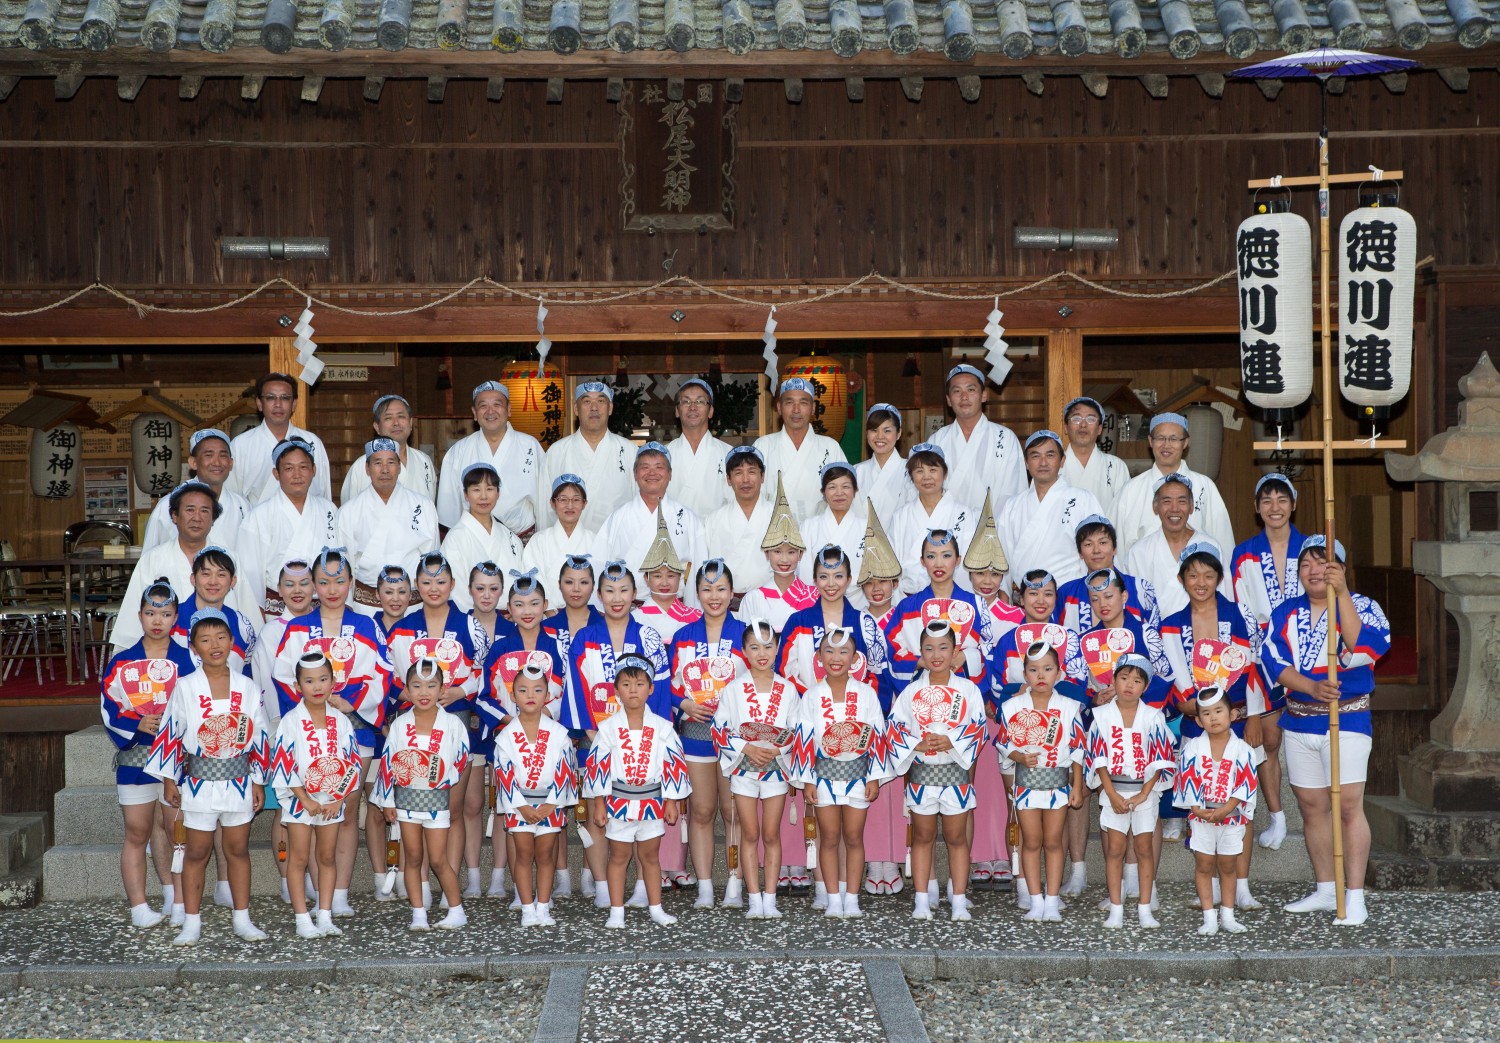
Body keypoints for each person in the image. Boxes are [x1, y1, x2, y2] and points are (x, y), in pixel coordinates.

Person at [1261, 536, 1389, 927]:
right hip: (1300, 718)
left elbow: (1364, 649)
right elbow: (1272, 660)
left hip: (1346, 719)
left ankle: (1355, 895)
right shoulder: (1286, 611)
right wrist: (1310, 687)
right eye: (1306, 564)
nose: (1314, 570)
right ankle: (1325, 889)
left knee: (1348, 806)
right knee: (1312, 807)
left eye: (1324, 562)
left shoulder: (1364, 605)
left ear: (1341, 569)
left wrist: (1343, 593)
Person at [272, 547, 392, 910]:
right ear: (313, 585)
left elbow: (384, 672)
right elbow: (283, 676)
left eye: (339, 581)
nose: (332, 589)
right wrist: (315, 706)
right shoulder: (296, 628)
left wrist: (351, 701)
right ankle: (314, 886)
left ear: (352, 583)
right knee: (310, 810)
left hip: (355, 727)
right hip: (309, 733)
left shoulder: (367, 625)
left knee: (345, 810)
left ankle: (338, 893)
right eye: (323, 582)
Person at [146, 608, 271, 946]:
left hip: (239, 778)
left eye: (220, 638)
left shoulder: (247, 687)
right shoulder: (186, 687)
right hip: (199, 780)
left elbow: (259, 734)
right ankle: (191, 921)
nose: (214, 645)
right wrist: (169, 779)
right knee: (197, 851)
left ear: (231, 642)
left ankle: (242, 918)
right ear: (194, 647)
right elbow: (172, 732)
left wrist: (259, 779)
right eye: (205, 639)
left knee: (238, 849)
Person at [1160, 541, 1267, 912]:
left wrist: (1255, 715)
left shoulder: (1238, 614)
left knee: (1242, 803)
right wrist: (1182, 702)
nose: (1201, 582)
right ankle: (1209, 883)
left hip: (1237, 718)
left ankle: (1242, 886)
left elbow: (1255, 666)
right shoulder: (1171, 624)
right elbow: (1168, 675)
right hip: (1196, 722)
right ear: (1181, 579)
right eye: (1193, 575)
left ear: (1220, 578)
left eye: (1208, 575)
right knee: (1203, 799)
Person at [562, 561, 674, 909]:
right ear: (599, 595)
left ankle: (641, 885)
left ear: (635, 594)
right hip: (595, 737)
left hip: (643, 740)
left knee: (642, 814)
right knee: (599, 812)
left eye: (624, 590)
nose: (616, 597)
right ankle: (601, 885)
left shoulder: (648, 637)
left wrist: (651, 736)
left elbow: (660, 690)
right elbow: (576, 690)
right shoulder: (585, 638)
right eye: (609, 591)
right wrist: (596, 735)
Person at [101, 580, 197, 929]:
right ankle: (139, 906)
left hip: (176, 756)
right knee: (136, 831)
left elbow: (199, 703)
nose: (158, 621)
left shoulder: (188, 659)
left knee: (178, 831)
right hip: (136, 755)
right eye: (150, 613)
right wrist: (136, 723)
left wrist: (179, 727)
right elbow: (108, 707)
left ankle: (179, 900)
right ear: (140, 615)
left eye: (166, 614)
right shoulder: (122, 661)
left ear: (176, 617)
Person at [385, 553, 484, 893]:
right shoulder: (402, 629)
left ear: (452, 584)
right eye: (426, 582)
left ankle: (449, 880)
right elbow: (387, 677)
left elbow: (484, 671)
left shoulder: (470, 625)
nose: (434, 588)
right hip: (412, 721)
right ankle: (421, 883)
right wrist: (411, 695)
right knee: (414, 806)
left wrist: (460, 691)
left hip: (455, 717)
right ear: (417, 586)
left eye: (441, 582)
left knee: (451, 807)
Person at [886, 621, 988, 921]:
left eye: (944, 647)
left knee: (957, 838)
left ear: (955, 652)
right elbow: (894, 728)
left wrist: (951, 740)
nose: (936, 654)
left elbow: (979, 727)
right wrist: (916, 744)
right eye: (929, 648)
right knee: (922, 836)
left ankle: (959, 900)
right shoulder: (911, 691)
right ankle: (921, 900)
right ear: (921, 653)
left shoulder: (968, 690)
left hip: (955, 773)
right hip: (923, 774)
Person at [478, 569, 569, 899]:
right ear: (509, 609)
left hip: (549, 738)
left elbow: (570, 692)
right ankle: (518, 889)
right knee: (511, 812)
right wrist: (509, 720)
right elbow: (482, 696)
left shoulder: (557, 646)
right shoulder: (500, 647)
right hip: (510, 739)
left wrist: (548, 715)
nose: (527, 610)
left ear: (545, 605)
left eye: (534, 603)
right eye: (518, 604)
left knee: (551, 812)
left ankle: (557, 880)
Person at [789, 628, 892, 918]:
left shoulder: (866, 693)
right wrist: (807, 780)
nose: (836, 658)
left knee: (854, 837)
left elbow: (877, 734)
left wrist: (874, 776)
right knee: (830, 837)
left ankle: (853, 898)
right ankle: (833, 899)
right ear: (819, 657)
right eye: (830, 652)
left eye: (844, 652)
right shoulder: (812, 695)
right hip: (823, 775)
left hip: (859, 774)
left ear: (855, 658)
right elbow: (804, 738)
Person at [584, 654, 693, 928]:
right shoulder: (607, 728)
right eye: (626, 684)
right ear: (616, 690)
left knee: (650, 857)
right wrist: (599, 803)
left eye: (640, 684)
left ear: (651, 688)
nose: (633, 690)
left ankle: (656, 908)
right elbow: (598, 766)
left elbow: (672, 764)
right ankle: (616, 912)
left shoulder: (663, 727)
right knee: (619, 857)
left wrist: (671, 801)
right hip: (618, 801)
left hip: (652, 801)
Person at [1232, 474, 1307, 851]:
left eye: (1281, 499)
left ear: (1293, 504)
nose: (1274, 507)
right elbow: (1241, 606)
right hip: (1260, 650)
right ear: (1256, 507)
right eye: (1267, 500)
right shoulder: (1244, 552)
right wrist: (1256, 649)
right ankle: (1277, 815)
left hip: (1306, 646)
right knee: (1269, 737)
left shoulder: (1312, 548)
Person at [667, 560, 747, 907]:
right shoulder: (684, 637)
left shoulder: (745, 633)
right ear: (696, 593)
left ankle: (735, 884)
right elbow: (667, 686)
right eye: (707, 589)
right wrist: (683, 703)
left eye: (721, 589)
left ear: (732, 592)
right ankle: (704, 887)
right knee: (701, 811)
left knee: (733, 812)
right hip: (696, 732)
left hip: (735, 735)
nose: (714, 596)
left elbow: (760, 678)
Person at [371, 657, 471, 931]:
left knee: (438, 859)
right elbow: (388, 763)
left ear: (442, 689)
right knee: (412, 857)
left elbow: (462, 757)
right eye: (416, 686)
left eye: (431, 686)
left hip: (437, 799)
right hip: (406, 799)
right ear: (406, 690)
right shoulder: (400, 724)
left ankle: (456, 910)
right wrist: (387, 801)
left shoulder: (452, 723)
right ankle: (418, 914)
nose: (424, 692)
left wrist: (442, 778)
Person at [269, 650, 361, 938]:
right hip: (300, 800)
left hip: (332, 801)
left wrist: (339, 798)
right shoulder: (291, 720)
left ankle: (324, 915)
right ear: (298, 686)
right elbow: (283, 762)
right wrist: (304, 799)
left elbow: (352, 762)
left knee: (327, 857)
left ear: (333, 682)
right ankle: (301, 919)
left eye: (323, 679)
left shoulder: (341, 721)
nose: (317, 687)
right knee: (298, 858)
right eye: (309, 681)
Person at [710, 618, 797, 919]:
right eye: (755, 647)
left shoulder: (788, 690)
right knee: (749, 833)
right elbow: (719, 728)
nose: (762, 653)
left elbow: (797, 730)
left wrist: (776, 749)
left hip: (775, 767)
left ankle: (770, 899)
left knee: (771, 834)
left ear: (777, 649)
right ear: (744, 651)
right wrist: (746, 748)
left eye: (768, 647)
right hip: (744, 769)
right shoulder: (734, 689)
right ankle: (753, 899)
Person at [995, 642, 1086, 923]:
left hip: (1057, 783)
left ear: (1059, 672)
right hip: (1026, 784)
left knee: (1054, 841)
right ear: (1025, 674)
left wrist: (1077, 786)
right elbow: (1002, 741)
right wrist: (1019, 757)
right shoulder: (1011, 706)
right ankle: (1035, 900)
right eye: (1033, 670)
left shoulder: (1069, 707)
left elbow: (1077, 749)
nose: (1041, 675)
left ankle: (1052, 900)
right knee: (1032, 841)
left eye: (1047, 669)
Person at [1086, 653, 1175, 930]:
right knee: (1115, 848)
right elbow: (1098, 757)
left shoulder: (1153, 716)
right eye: (1123, 678)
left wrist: (1143, 794)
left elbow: (1159, 758)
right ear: (1113, 680)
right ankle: (1116, 908)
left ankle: (1145, 907)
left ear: (1145, 687)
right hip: (1113, 789)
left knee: (1144, 847)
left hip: (1144, 791)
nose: (1129, 685)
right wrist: (1111, 794)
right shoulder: (1101, 715)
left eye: (1137, 681)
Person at [960, 496, 1018, 893]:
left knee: (1003, 786)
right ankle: (981, 856)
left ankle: (1005, 854)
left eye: (995, 572)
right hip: (972, 706)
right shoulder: (959, 609)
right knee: (977, 779)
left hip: (1005, 709)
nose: (987, 579)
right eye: (980, 571)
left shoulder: (1016, 616)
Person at [492, 664, 579, 927]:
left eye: (538, 690)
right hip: (519, 804)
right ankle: (527, 908)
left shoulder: (559, 734)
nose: (530, 695)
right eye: (523, 690)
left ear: (547, 695)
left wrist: (552, 803)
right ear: (513, 695)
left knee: (545, 855)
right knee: (523, 855)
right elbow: (503, 772)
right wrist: (520, 806)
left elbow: (566, 769)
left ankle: (543, 907)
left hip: (550, 804)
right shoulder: (506, 736)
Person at [1174, 687, 1259, 935]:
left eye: (1219, 711)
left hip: (1231, 817)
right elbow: (1187, 778)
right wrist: (1196, 808)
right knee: (1203, 864)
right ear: (1199, 721)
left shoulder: (1243, 749)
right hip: (1201, 816)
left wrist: (1227, 808)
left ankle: (1228, 916)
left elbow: (1246, 783)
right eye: (1207, 713)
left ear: (1232, 714)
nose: (1213, 718)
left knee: (1228, 865)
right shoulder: (1193, 747)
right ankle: (1209, 917)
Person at [593, 442, 708, 607]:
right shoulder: (617, 518)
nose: (652, 473)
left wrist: (693, 612)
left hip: (676, 610)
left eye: (659, 467)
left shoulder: (688, 518)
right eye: (645, 467)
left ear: (670, 474)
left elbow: (699, 570)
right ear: (635, 474)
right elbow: (599, 566)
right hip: (628, 610)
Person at [236, 438, 339, 617]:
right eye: (289, 468)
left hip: (323, 611)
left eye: (303, 467)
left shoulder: (328, 509)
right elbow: (250, 577)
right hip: (276, 613)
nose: (297, 475)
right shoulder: (258, 516)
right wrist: (257, 618)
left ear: (314, 470)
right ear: (276, 473)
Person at [337, 438, 440, 612]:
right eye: (378, 463)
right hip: (365, 607)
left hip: (413, 606)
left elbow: (432, 560)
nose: (385, 469)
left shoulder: (423, 505)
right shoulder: (349, 510)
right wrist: (347, 608)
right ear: (367, 468)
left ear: (399, 467)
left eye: (391, 462)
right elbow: (344, 564)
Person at [1111, 412, 1235, 558]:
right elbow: (1114, 546)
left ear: (1185, 442)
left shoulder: (1204, 486)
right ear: (1150, 441)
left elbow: (1223, 544)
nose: (1166, 445)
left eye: (1174, 439)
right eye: (1160, 438)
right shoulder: (1130, 490)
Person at [996, 430, 1104, 590]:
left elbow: (1099, 551)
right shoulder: (1012, 506)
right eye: (1035, 456)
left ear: (1062, 461)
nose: (1043, 462)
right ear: (1026, 463)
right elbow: (1001, 558)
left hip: (1070, 594)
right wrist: (1004, 594)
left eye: (1050, 455)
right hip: (1026, 595)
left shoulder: (1083, 499)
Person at [886, 529, 993, 689]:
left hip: (964, 691)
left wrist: (966, 656)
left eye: (946, 555)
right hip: (920, 691)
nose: (938, 563)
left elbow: (988, 650)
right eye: (931, 556)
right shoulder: (906, 607)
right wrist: (920, 661)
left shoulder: (977, 604)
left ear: (958, 560)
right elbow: (893, 648)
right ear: (922, 561)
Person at [436, 381, 543, 536]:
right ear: (474, 412)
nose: (490, 411)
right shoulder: (458, 451)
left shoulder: (530, 446)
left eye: (497, 404)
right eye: (483, 406)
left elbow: (545, 500)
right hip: (474, 537)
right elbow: (449, 510)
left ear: (509, 409)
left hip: (523, 538)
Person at [1121, 474, 1231, 621]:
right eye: (1167, 501)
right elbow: (1132, 607)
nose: (1174, 508)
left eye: (1182, 501)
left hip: (1204, 631)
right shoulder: (1138, 552)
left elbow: (1225, 599)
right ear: (1155, 507)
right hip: (1154, 632)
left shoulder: (1210, 547)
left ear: (1191, 507)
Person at [540, 381, 636, 532]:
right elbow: (545, 508)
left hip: (618, 541)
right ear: (575, 409)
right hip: (570, 541)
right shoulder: (557, 452)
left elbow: (640, 504)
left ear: (610, 408)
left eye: (601, 401)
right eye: (586, 402)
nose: (594, 407)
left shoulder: (630, 451)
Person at [224, 373, 333, 505]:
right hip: (257, 517)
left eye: (285, 398)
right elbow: (232, 498)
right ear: (259, 403)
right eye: (270, 398)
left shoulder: (312, 442)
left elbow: (324, 495)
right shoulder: (241, 444)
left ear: (294, 404)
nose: (278, 404)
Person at [928, 363, 1026, 508]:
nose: (964, 397)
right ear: (949, 400)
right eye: (957, 391)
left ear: (983, 395)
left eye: (971, 389)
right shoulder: (937, 440)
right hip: (947, 520)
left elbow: (1014, 490)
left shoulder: (1005, 438)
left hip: (994, 521)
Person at [754, 377, 848, 520]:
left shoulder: (830, 447)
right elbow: (752, 497)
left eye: (803, 403)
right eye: (789, 402)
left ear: (813, 408)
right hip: (774, 529)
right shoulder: (763, 446)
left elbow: (845, 496)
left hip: (819, 530)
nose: (796, 410)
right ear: (779, 407)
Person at [1055, 515, 1161, 641]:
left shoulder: (1141, 589)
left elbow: (1155, 638)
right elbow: (1054, 638)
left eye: (1103, 543)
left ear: (1115, 548)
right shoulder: (1066, 593)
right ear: (1080, 553)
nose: (1096, 550)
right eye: (1088, 544)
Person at [143, 429, 252, 551]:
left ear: (231, 463)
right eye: (209, 455)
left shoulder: (242, 505)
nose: (217, 462)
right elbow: (149, 556)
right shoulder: (167, 505)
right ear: (193, 462)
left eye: (223, 456)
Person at [889, 444, 976, 595]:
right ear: (911, 476)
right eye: (919, 471)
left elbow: (967, 563)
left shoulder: (963, 514)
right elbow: (892, 563)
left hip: (952, 597)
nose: (926, 477)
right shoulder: (900, 516)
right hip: (908, 598)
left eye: (933, 470)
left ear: (945, 473)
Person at [440, 463, 524, 612]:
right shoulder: (455, 538)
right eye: (476, 489)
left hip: (512, 618)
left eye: (490, 489)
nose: (484, 496)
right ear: (466, 494)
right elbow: (457, 592)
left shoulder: (510, 537)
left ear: (498, 493)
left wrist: (517, 611)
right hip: (474, 618)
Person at [735, 477, 817, 630]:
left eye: (791, 552)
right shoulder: (753, 598)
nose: (784, 559)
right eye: (777, 551)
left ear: (800, 554)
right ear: (767, 554)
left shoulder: (815, 596)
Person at [170, 546, 256, 678]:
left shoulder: (242, 625)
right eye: (206, 574)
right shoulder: (171, 619)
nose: (213, 582)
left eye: (221, 575)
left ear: (233, 581)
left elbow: (247, 675)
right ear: (193, 579)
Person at [341, 394, 438, 504]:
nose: (396, 423)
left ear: (410, 423)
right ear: (377, 427)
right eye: (388, 418)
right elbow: (349, 510)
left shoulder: (424, 460)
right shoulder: (361, 466)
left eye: (401, 416)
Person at [797, 463, 870, 609]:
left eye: (846, 486)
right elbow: (804, 572)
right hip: (817, 603)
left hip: (859, 604)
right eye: (832, 487)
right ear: (823, 492)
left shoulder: (868, 528)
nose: (839, 493)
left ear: (855, 490)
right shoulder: (809, 526)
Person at [705, 446, 774, 598]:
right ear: (728, 480)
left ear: (762, 476)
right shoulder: (714, 520)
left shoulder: (778, 516)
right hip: (725, 603)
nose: (745, 480)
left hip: (770, 600)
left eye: (752, 472)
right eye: (738, 473)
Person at [521, 475, 597, 608]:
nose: (570, 505)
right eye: (563, 499)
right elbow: (531, 581)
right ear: (552, 503)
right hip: (547, 614)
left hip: (586, 614)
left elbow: (600, 583)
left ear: (584, 503)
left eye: (576, 499)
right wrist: (550, 611)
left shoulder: (594, 540)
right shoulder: (539, 541)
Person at [632, 507, 703, 646]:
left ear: (680, 577)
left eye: (670, 575)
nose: (664, 582)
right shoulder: (634, 619)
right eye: (657, 576)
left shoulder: (697, 616)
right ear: (646, 579)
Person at [665, 378, 732, 518]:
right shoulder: (663, 455)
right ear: (677, 411)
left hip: (715, 530)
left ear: (710, 411)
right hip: (674, 529)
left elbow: (736, 504)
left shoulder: (728, 454)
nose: (693, 407)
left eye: (700, 401)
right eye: (686, 401)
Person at [1059, 396, 1131, 520]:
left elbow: (1125, 515)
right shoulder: (1052, 466)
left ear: (1099, 429)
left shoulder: (1116, 467)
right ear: (1066, 427)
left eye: (1091, 419)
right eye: (1076, 418)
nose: (1083, 424)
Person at [853, 402, 913, 522]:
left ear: (898, 433)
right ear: (867, 433)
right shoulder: (855, 471)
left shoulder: (910, 471)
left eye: (887, 431)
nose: (880, 436)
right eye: (874, 430)